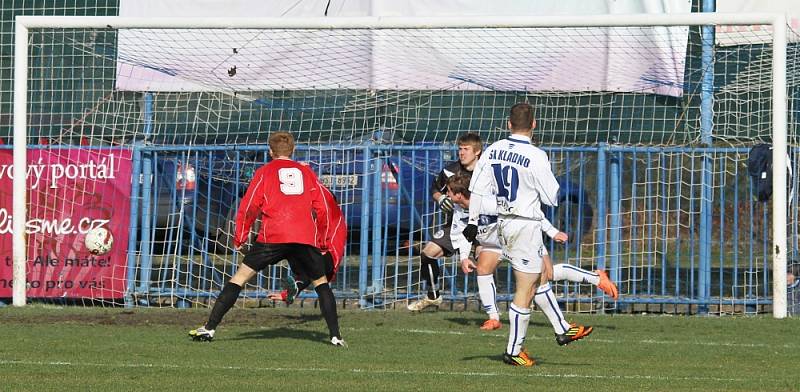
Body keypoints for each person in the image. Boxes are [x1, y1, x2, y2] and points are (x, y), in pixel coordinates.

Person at [189, 131, 346, 347]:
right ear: (293, 150)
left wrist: (240, 237)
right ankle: (335, 336)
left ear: (270, 151)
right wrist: (322, 240)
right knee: (321, 284)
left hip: (274, 235)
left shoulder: (264, 171)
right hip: (303, 236)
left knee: (239, 278)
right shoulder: (307, 172)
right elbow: (321, 208)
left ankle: (209, 328)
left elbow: (249, 206)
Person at [447, 173, 609, 346]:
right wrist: (464, 257)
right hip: (494, 246)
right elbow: (460, 233)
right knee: (483, 268)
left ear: (459, 194)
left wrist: (552, 232)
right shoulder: (459, 210)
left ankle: (596, 279)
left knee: (546, 276)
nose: (446, 195)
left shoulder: (490, 202)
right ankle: (494, 318)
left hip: (521, 239)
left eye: (449, 191)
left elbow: (531, 212)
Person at [464, 102, 561, 366]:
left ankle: (560, 329)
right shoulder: (537, 155)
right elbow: (552, 197)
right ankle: (514, 351)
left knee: (537, 279)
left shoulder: (493, 149)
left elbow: (477, 190)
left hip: (503, 223)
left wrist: (472, 222)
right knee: (528, 286)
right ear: (534, 125)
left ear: (508, 124)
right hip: (526, 223)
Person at [407, 132, 483, 311]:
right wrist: (440, 198)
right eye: (460, 149)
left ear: (477, 152)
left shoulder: (486, 171)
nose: (461, 153)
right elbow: (434, 189)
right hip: (456, 224)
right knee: (427, 253)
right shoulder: (451, 171)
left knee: (484, 262)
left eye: (466, 149)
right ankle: (433, 296)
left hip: (483, 225)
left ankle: (492, 308)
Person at [268, 185, 346, 304]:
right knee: (304, 269)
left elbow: (323, 194)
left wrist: (307, 173)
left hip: (329, 258)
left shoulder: (335, 217)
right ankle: (290, 293)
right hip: (317, 260)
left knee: (311, 268)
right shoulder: (315, 219)